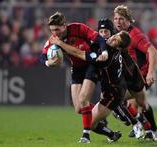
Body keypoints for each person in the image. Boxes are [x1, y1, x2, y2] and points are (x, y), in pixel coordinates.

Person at [49, 18, 149, 143]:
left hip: (112, 95)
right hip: (113, 89)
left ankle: (129, 121)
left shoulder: (106, 57)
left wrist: (61, 44)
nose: (112, 38)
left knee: (89, 122)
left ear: (118, 46)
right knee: (84, 110)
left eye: (116, 40)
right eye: (115, 36)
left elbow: (80, 54)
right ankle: (120, 127)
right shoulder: (108, 48)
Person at [40, 11, 109, 143]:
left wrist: (104, 51)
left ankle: (86, 136)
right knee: (78, 108)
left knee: (83, 99)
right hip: (77, 69)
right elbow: (42, 57)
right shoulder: (53, 39)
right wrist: (48, 63)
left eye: (57, 29)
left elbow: (98, 38)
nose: (55, 32)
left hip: (91, 63)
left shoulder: (78, 28)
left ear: (64, 25)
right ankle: (108, 129)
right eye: (52, 30)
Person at [112, 5, 157, 141]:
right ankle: (151, 131)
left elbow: (153, 51)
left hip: (141, 76)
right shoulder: (117, 34)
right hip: (129, 77)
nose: (118, 21)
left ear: (129, 20)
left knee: (118, 100)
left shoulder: (135, 35)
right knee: (140, 104)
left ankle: (141, 126)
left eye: (121, 18)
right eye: (116, 18)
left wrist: (150, 73)